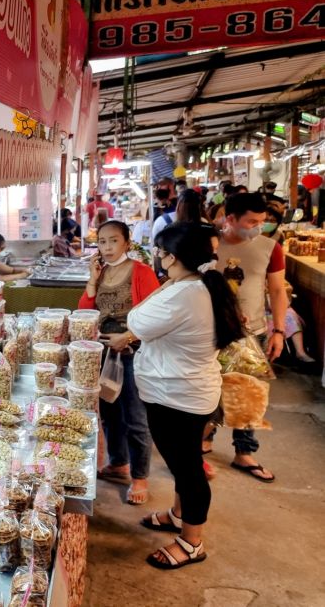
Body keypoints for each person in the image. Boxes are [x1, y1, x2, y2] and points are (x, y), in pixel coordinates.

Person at [126, 222, 243, 569]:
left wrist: (165, 284)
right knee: (183, 460)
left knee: (187, 468)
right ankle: (179, 515)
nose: (158, 258)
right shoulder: (195, 285)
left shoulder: (186, 293)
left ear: (172, 257)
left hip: (177, 395)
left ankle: (192, 543)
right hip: (183, 390)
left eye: (161, 253)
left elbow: (138, 320)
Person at [79, 221, 159, 505]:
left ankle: (139, 477)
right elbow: (84, 312)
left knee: (135, 416)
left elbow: (155, 315)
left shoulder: (142, 272)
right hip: (104, 352)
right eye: (102, 242)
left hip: (133, 353)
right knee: (110, 412)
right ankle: (118, 462)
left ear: (127, 242)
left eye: (114, 241)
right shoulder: (101, 274)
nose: (108, 247)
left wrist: (128, 336)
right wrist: (91, 279)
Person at [208, 192, 286, 483]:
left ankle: (245, 452)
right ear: (230, 219)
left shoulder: (270, 247)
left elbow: (277, 291)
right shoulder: (210, 243)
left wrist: (279, 330)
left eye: (262, 221)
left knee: (251, 393)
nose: (259, 227)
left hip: (254, 331)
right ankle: (206, 438)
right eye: (252, 221)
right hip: (212, 331)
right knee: (210, 387)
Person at [267, 280, 315, 364]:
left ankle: (300, 352)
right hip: (263, 312)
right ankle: (266, 353)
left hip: (277, 309)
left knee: (290, 315)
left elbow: (285, 301)